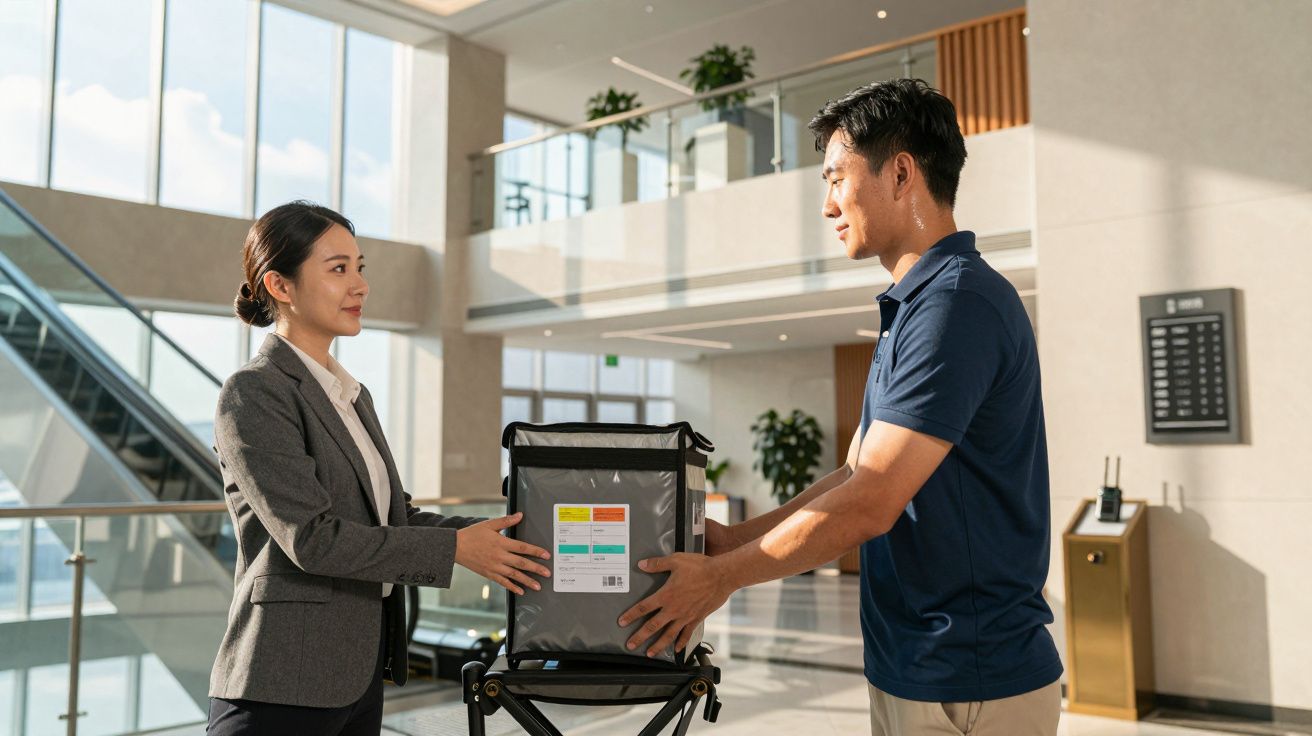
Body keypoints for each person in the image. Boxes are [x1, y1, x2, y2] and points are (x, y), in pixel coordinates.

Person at [616, 79, 1062, 736]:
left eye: (836, 178)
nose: (828, 205)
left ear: (901, 172)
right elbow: (855, 475)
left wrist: (723, 579)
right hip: (918, 665)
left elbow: (871, 500)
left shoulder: (955, 306)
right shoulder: (914, 309)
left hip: (969, 678)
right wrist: (735, 540)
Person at [206, 201, 551, 735]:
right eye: (338, 268)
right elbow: (313, 539)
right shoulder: (255, 393)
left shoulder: (351, 396)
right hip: (282, 681)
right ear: (280, 285)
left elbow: (393, 516)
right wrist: (458, 549)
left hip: (356, 673)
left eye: (360, 267)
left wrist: (482, 536)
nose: (361, 285)